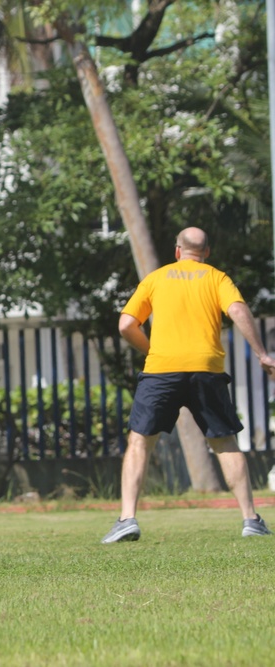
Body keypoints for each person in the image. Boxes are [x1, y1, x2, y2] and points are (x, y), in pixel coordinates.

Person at [102, 227, 275, 543]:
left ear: (177, 250)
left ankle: (127, 518)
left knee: (140, 441)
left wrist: (152, 349)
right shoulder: (217, 278)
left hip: (161, 370)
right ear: (206, 251)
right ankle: (250, 519)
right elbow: (237, 310)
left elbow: (126, 324)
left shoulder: (157, 277)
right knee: (225, 443)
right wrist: (262, 354)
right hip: (206, 368)